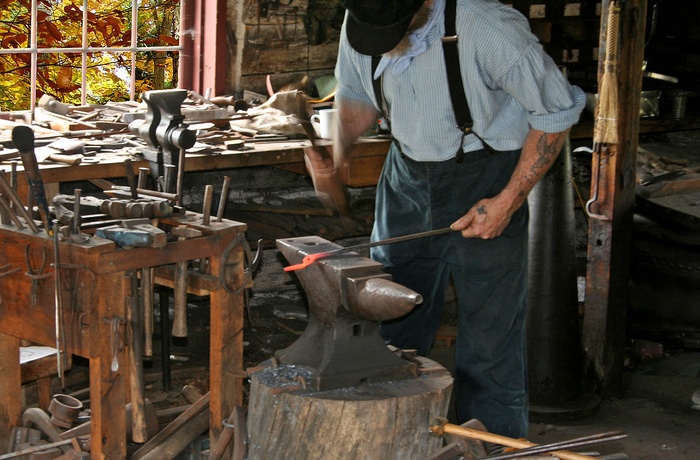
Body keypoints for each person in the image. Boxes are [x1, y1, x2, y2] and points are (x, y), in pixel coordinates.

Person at [303, 0, 585, 439]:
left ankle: (492, 444)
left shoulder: (487, 27)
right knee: (389, 317)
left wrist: (508, 201)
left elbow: (556, 112)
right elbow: (358, 97)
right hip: (406, 180)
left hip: (486, 178)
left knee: (491, 338)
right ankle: (396, 437)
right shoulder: (367, 17)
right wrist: (335, 155)